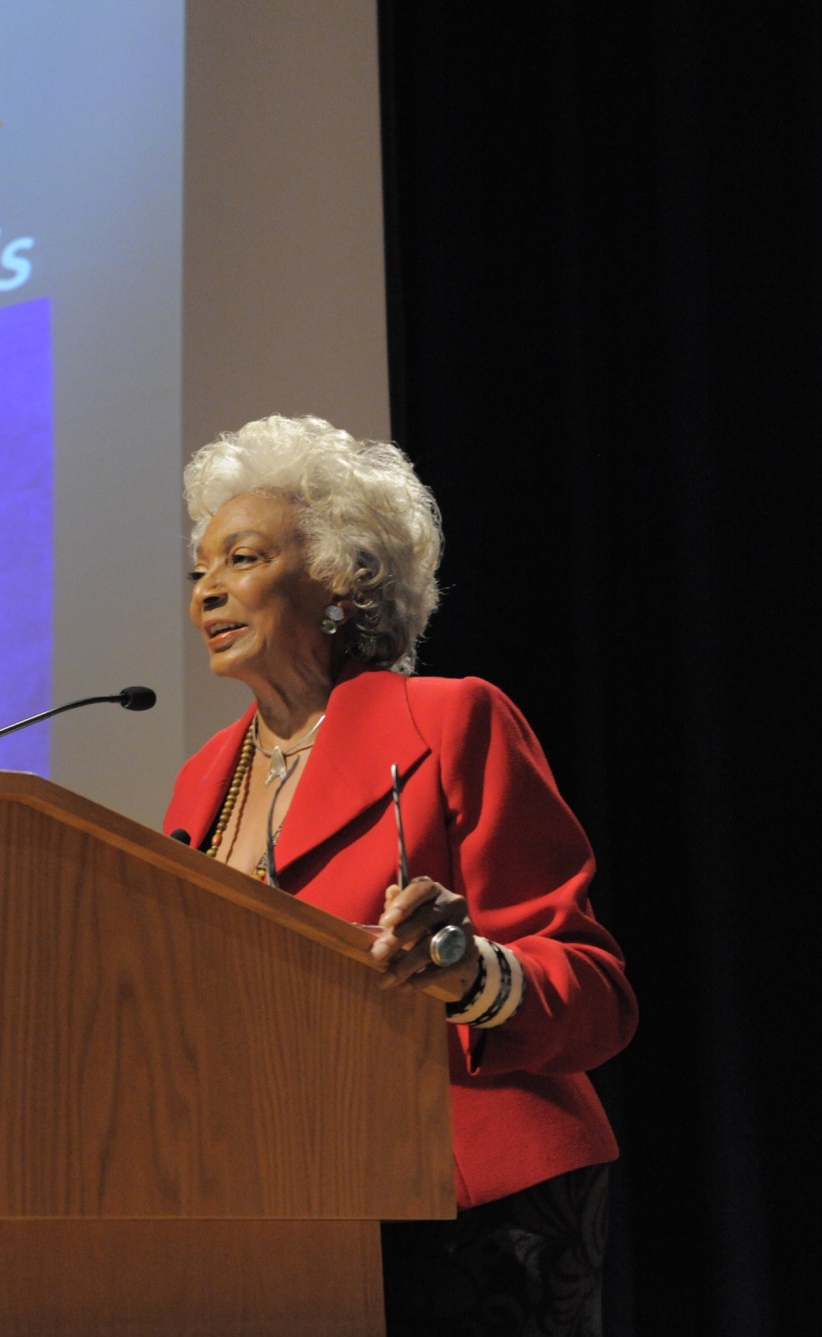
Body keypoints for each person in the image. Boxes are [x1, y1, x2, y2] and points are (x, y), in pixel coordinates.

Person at [162, 414, 636, 1336]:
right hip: (275, 1203)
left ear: (344, 581)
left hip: (471, 1211)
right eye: (198, 571)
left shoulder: (450, 722)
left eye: (243, 559)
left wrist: (470, 973)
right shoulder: (200, 782)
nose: (207, 593)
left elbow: (595, 990)